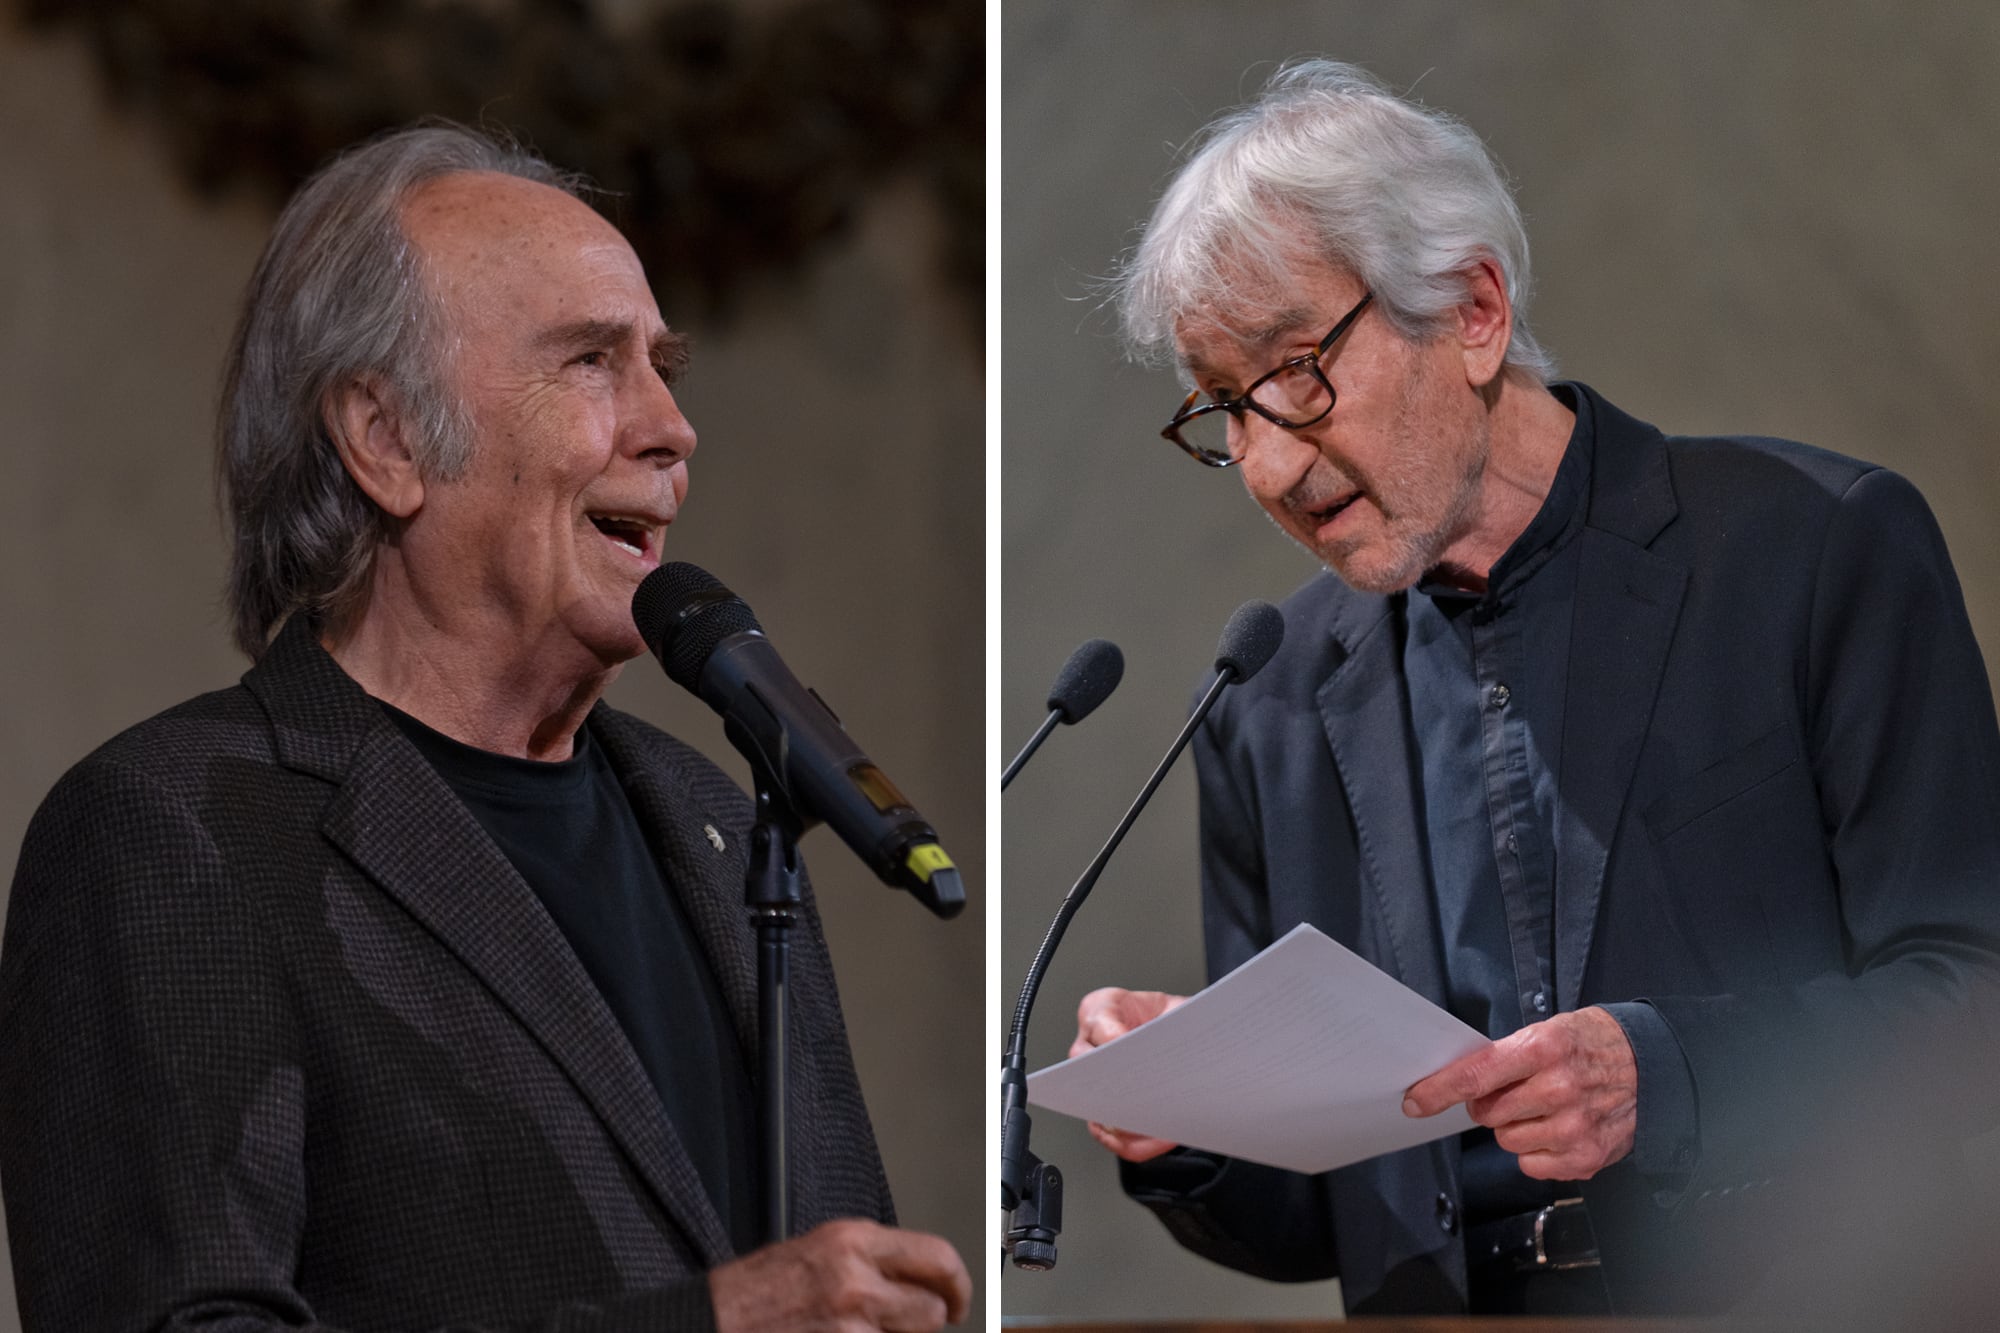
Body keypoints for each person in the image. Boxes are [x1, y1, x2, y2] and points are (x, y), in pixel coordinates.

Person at [0, 125, 970, 1332]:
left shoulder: (724, 824)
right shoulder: (175, 832)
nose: (673, 429)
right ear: (386, 439)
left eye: (665, 365)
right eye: (591, 363)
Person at [1068, 60, 2000, 1317]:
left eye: (1297, 372)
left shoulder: (1815, 551)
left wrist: (1667, 1076)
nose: (1272, 462)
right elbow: (1313, 1216)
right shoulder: (1266, 700)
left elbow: (1969, 1002)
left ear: (1471, 310)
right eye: (1225, 408)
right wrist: (1181, 1118)